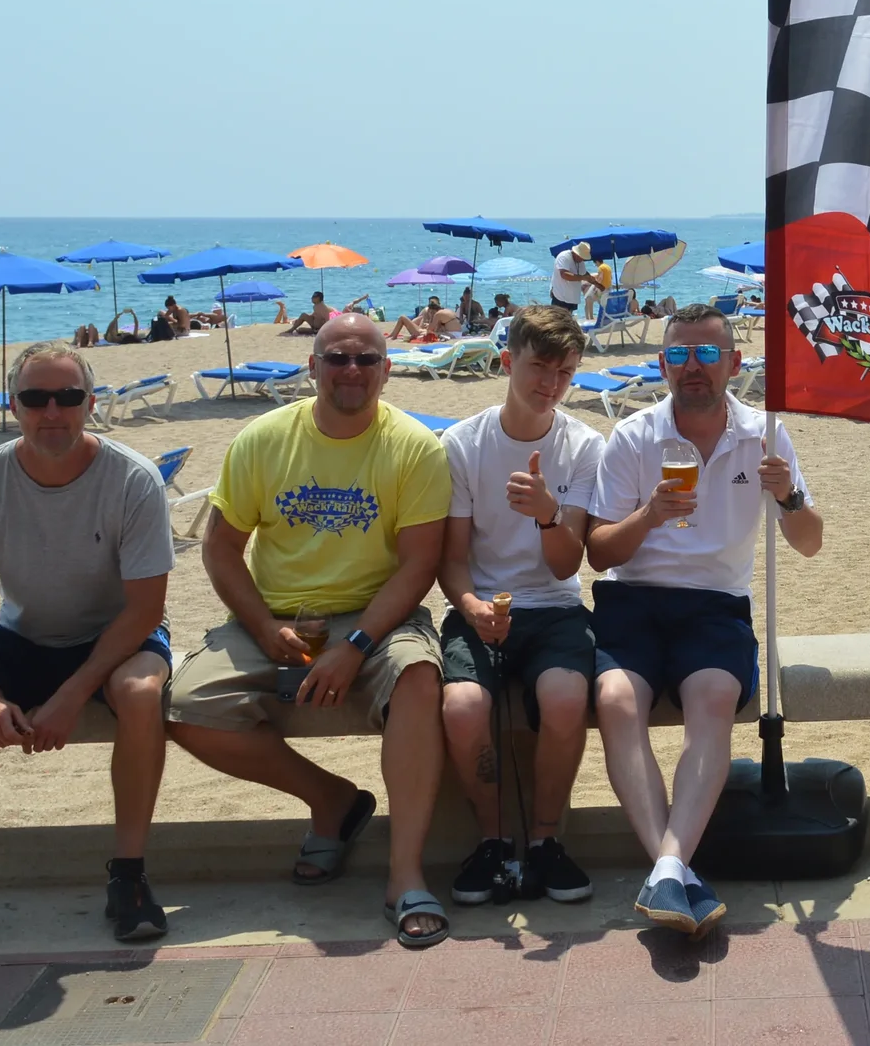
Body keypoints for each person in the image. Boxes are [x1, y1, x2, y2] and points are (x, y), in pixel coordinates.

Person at [164, 313, 455, 948]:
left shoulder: (414, 446)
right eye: (337, 358)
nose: (351, 371)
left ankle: (404, 872)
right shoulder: (263, 439)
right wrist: (263, 626)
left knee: (418, 677)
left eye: (366, 359)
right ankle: (333, 802)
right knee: (185, 706)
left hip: (377, 614)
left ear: (387, 367)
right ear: (313, 366)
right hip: (274, 615)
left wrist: (357, 646)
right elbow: (221, 550)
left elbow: (419, 565)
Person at [0, 345, 174, 957]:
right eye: (35, 398)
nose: (52, 412)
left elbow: (146, 609)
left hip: (118, 636)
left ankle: (129, 875)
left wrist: (73, 693)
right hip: (21, 638)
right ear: (12, 406)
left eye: (68, 398)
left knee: (140, 694)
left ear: (90, 405)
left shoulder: (132, 478)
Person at [587, 302, 817, 938]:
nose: (694, 367)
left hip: (716, 603)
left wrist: (788, 495)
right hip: (632, 598)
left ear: (734, 363)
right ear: (662, 364)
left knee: (714, 697)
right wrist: (651, 516)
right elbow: (599, 551)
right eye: (681, 354)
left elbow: (810, 542)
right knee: (614, 698)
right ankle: (674, 868)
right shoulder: (634, 437)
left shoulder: (765, 435)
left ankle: (667, 867)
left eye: (708, 354)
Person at [437, 304, 606, 907]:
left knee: (565, 699)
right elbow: (451, 559)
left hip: (555, 608)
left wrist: (547, 513)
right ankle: (491, 840)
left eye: (565, 373)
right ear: (507, 362)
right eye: (539, 367)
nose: (551, 385)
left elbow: (567, 566)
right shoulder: (461, 444)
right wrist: (472, 606)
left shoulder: (584, 446)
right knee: (462, 708)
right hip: (478, 606)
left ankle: (544, 841)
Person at [390, 297, 458, 343]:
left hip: (424, 333)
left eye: (432, 312)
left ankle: (393, 336)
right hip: (451, 334)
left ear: (436, 310)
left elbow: (430, 331)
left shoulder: (438, 315)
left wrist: (428, 325)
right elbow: (435, 329)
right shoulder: (443, 314)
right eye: (430, 312)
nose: (431, 314)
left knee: (402, 317)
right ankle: (392, 335)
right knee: (403, 318)